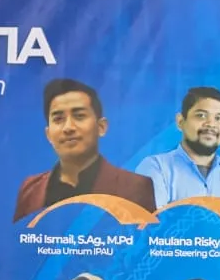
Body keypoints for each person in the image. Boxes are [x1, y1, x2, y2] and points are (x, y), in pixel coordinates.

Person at [14, 78, 156, 221]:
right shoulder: (31, 189)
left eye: (79, 116)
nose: (68, 127)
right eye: (58, 119)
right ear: (48, 134)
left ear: (101, 127)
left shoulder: (135, 187)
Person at [136, 87, 220, 216]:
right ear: (180, 121)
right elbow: (150, 224)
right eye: (201, 115)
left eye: (219, 118)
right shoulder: (156, 168)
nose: (211, 124)